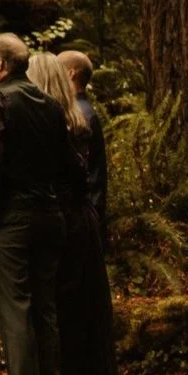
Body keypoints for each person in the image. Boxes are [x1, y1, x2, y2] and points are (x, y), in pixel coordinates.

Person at [0, 33, 83, 375]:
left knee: (16, 311)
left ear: (0, 65)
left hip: (12, 219)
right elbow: (69, 164)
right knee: (45, 308)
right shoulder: (51, 105)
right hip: (49, 214)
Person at [27, 52, 122, 375]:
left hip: (70, 219)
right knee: (84, 310)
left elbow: (87, 179)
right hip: (83, 221)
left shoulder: (71, 118)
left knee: (67, 308)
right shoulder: (79, 115)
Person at [59, 50, 109, 246]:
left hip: (80, 212)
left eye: (58, 69)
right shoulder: (80, 110)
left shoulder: (79, 115)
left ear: (71, 73)